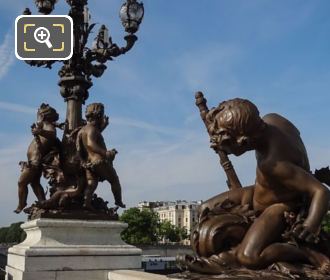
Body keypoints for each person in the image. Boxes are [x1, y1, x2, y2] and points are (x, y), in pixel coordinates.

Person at [199, 98, 330, 270]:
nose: (224, 151)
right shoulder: (272, 120)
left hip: (280, 206)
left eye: (227, 145)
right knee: (204, 209)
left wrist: (310, 226)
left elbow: (321, 191)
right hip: (258, 192)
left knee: (248, 257)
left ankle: (303, 253)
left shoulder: (273, 164)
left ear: (243, 142)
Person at [76, 103, 125, 210]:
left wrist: (104, 126)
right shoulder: (92, 129)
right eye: (102, 115)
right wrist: (106, 153)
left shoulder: (83, 130)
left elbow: (79, 148)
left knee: (91, 183)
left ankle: (86, 202)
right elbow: (90, 143)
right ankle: (118, 201)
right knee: (114, 180)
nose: (103, 117)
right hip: (99, 161)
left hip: (89, 162)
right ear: (98, 115)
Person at [14, 104, 59, 213]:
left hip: (35, 162)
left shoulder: (48, 126)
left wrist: (40, 132)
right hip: (34, 161)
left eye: (38, 115)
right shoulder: (43, 126)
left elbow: (53, 134)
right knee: (35, 183)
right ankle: (43, 202)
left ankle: (22, 203)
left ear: (43, 116)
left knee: (21, 182)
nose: (37, 118)